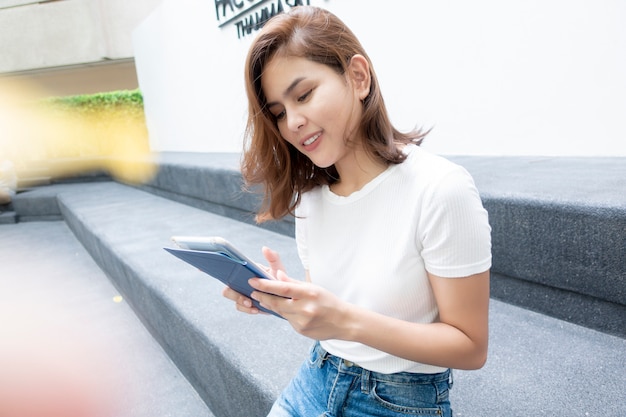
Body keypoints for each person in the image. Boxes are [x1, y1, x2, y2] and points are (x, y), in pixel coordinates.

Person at [223, 6, 492, 417]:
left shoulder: (441, 188)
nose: (292, 122)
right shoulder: (312, 199)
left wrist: (342, 319)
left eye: (304, 94)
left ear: (358, 77)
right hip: (317, 377)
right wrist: (284, 297)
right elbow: (334, 312)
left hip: (400, 398)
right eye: (278, 113)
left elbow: (470, 346)